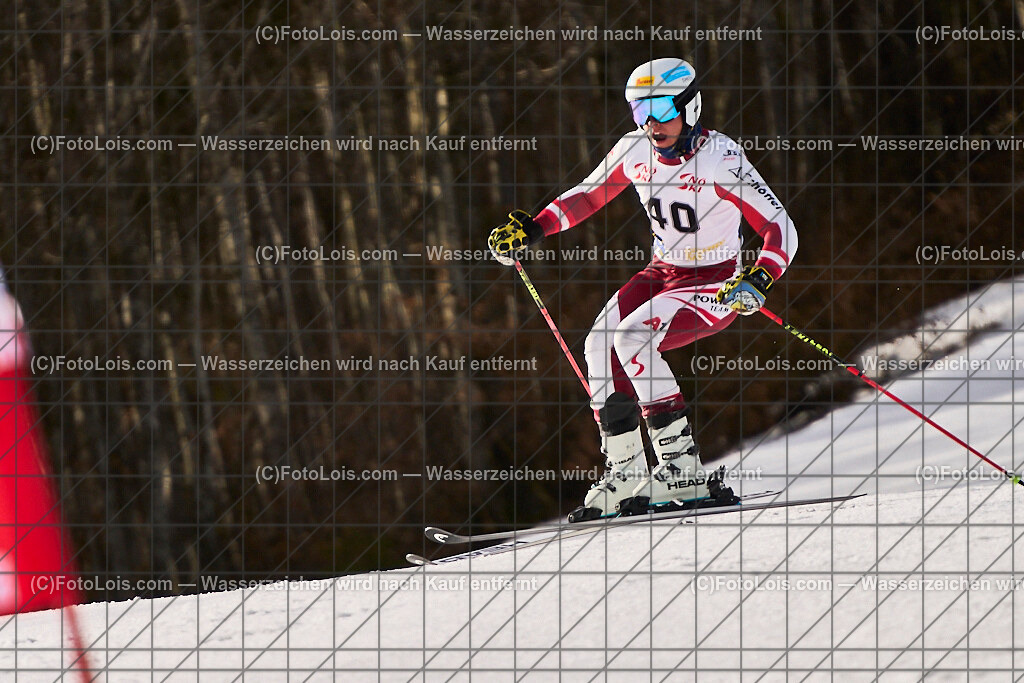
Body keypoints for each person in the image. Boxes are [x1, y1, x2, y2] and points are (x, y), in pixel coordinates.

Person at [488, 58, 798, 521]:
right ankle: (627, 472)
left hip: (715, 282)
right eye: (640, 111)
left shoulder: (721, 158)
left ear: (690, 107)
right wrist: (535, 227)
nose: (652, 123)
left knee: (632, 338)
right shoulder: (635, 150)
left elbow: (780, 227)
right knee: (599, 343)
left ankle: (682, 468)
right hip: (663, 273)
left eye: (663, 109)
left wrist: (760, 276)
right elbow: (588, 194)